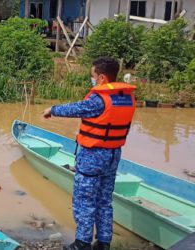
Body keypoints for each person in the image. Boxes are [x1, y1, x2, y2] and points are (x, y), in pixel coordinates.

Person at [42, 57, 137, 250]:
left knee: (84, 200)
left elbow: (76, 108)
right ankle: (103, 243)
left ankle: (82, 243)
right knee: (104, 201)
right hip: (113, 155)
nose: (91, 80)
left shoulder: (99, 99)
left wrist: (52, 109)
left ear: (102, 77)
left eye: (92, 76)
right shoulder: (126, 97)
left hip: (93, 155)